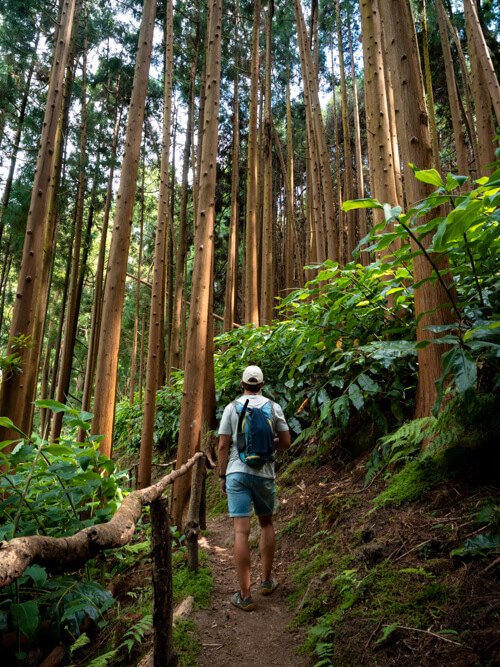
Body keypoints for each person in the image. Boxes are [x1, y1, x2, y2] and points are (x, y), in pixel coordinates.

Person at [217, 365, 291, 611]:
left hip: (237, 473)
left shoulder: (231, 407)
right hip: (264, 474)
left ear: (242, 384)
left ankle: (245, 595)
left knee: (241, 532)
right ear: (262, 384)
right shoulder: (273, 407)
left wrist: (221, 475)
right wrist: (268, 447)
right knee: (266, 523)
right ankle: (267, 581)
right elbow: (287, 443)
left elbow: (223, 446)